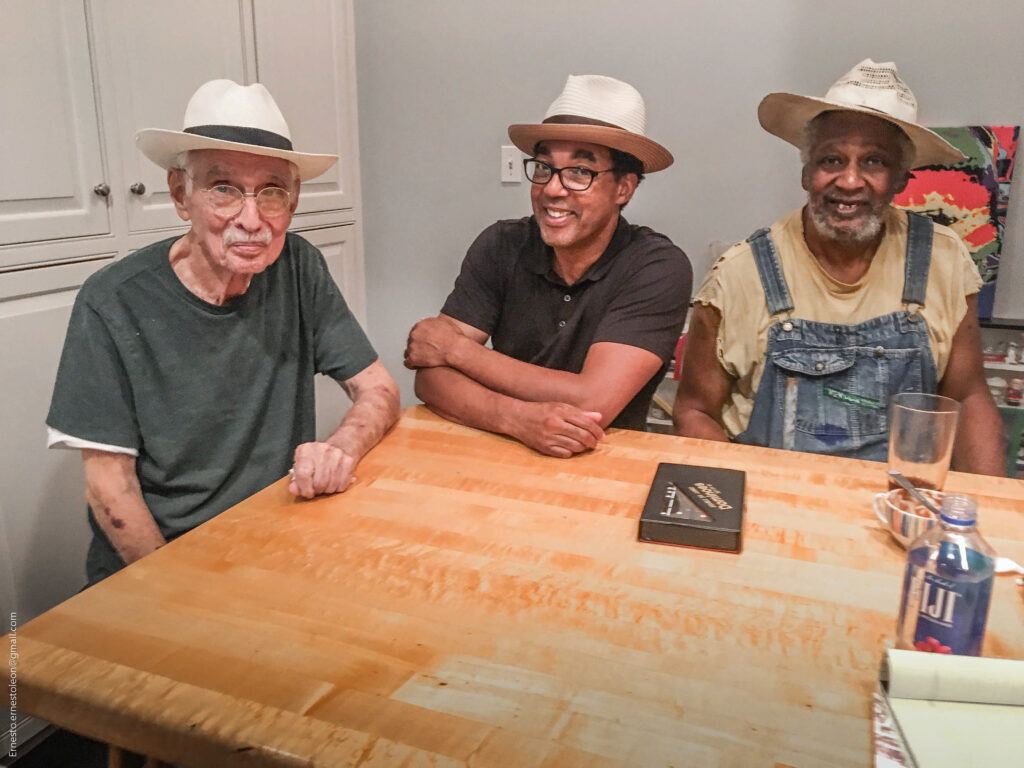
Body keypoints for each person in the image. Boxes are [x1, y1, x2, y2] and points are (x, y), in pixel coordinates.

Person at [47, 80, 400, 585]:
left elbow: (380, 389)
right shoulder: (112, 301)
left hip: (268, 541)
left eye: (272, 192)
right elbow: (109, 488)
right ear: (179, 194)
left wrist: (340, 447)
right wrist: (177, 597)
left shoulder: (300, 267)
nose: (251, 220)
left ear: (293, 202)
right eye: (223, 189)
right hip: (155, 564)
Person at [673, 59, 1004, 474]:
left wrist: (990, 513)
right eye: (831, 160)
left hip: (900, 503)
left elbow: (967, 396)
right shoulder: (739, 274)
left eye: (873, 162)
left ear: (901, 179)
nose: (849, 181)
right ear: (807, 173)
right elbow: (693, 413)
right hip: (772, 503)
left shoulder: (944, 258)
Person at [404, 74, 692, 458]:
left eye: (579, 172)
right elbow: (430, 377)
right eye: (543, 168)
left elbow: (593, 400)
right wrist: (517, 420)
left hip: (607, 464)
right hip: (496, 449)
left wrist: (458, 352)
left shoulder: (657, 266)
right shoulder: (501, 244)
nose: (552, 188)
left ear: (624, 188)